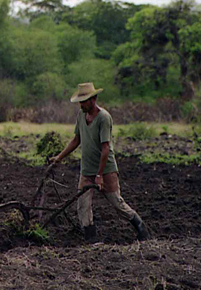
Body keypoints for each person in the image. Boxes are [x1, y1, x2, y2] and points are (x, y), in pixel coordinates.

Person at [51, 82, 150, 243]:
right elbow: (76, 139)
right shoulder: (81, 116)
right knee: (83, 205)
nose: (81, 105)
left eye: (84, 101)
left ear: (93, 99)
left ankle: (141, 228)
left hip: (106, 169)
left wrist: (99, 175)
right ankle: (91, 240)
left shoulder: (104, 118)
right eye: (80, 102)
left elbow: (105, 148)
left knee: (117, 203)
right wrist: (59, 157)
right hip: (87, 169)